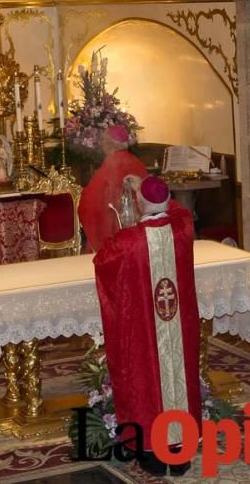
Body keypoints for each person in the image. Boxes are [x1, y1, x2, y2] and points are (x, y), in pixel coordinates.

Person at [93, 176, 199, 477]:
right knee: (176, 378)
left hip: (145, 330)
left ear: (139, 203)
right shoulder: (182, 229)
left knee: (147, 379)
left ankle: (153, 456)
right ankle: (180, 456)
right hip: (178, 326)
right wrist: (149, 189)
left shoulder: (129, 241)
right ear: (166, 201)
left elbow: (102, 262)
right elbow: (179, 211)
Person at [78, 125, 148, 252]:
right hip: (138, 231)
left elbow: (90, 200)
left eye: (104, 140)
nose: (102, 144)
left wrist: (83, 194)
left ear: (110, 144)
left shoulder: (111, 163)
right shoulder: (137, 162)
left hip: (114, 228)